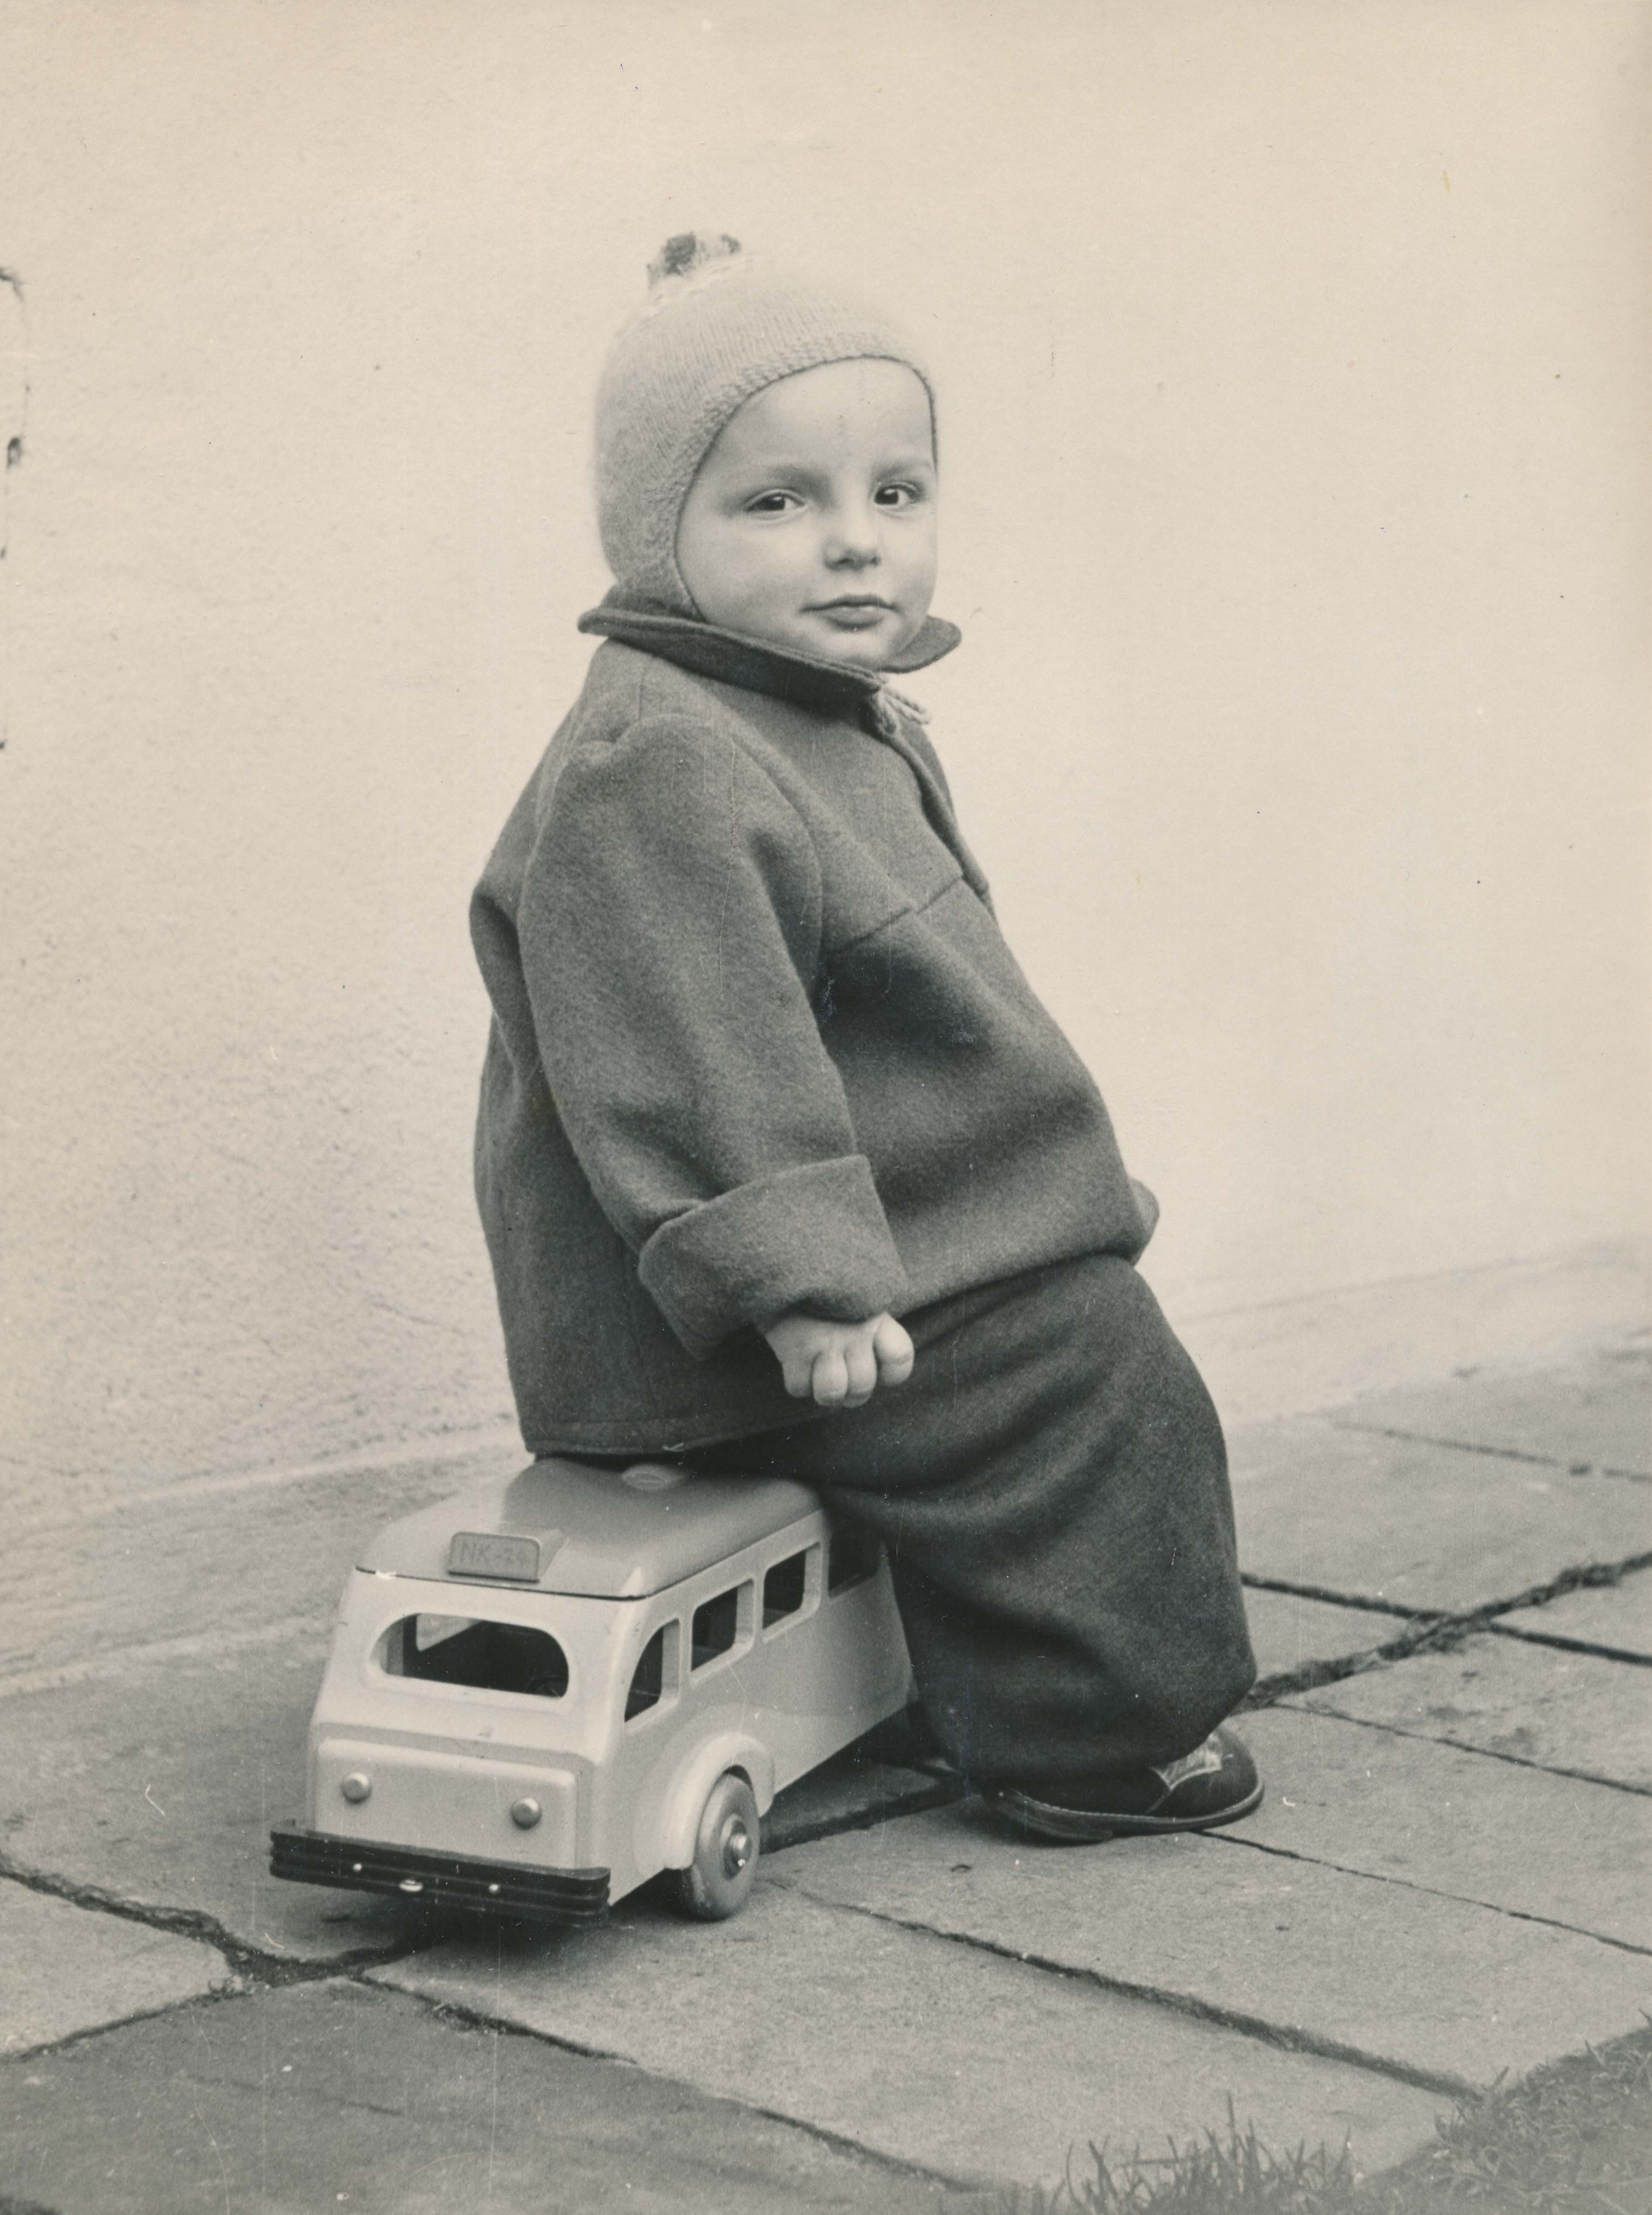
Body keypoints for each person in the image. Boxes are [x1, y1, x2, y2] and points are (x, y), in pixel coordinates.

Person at [469, 232, 1260, 1841]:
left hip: (874, 1249)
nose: (854, 543)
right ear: (654, 531)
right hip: (732, 1313)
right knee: (1081, 1383)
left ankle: (980, 1671)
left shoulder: (801, 708)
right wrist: (801, 1282)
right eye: (775, 502)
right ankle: (1085, 1741)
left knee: (1084, 1327)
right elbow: (693, 1047)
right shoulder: (658, 759)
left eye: (895, 494)